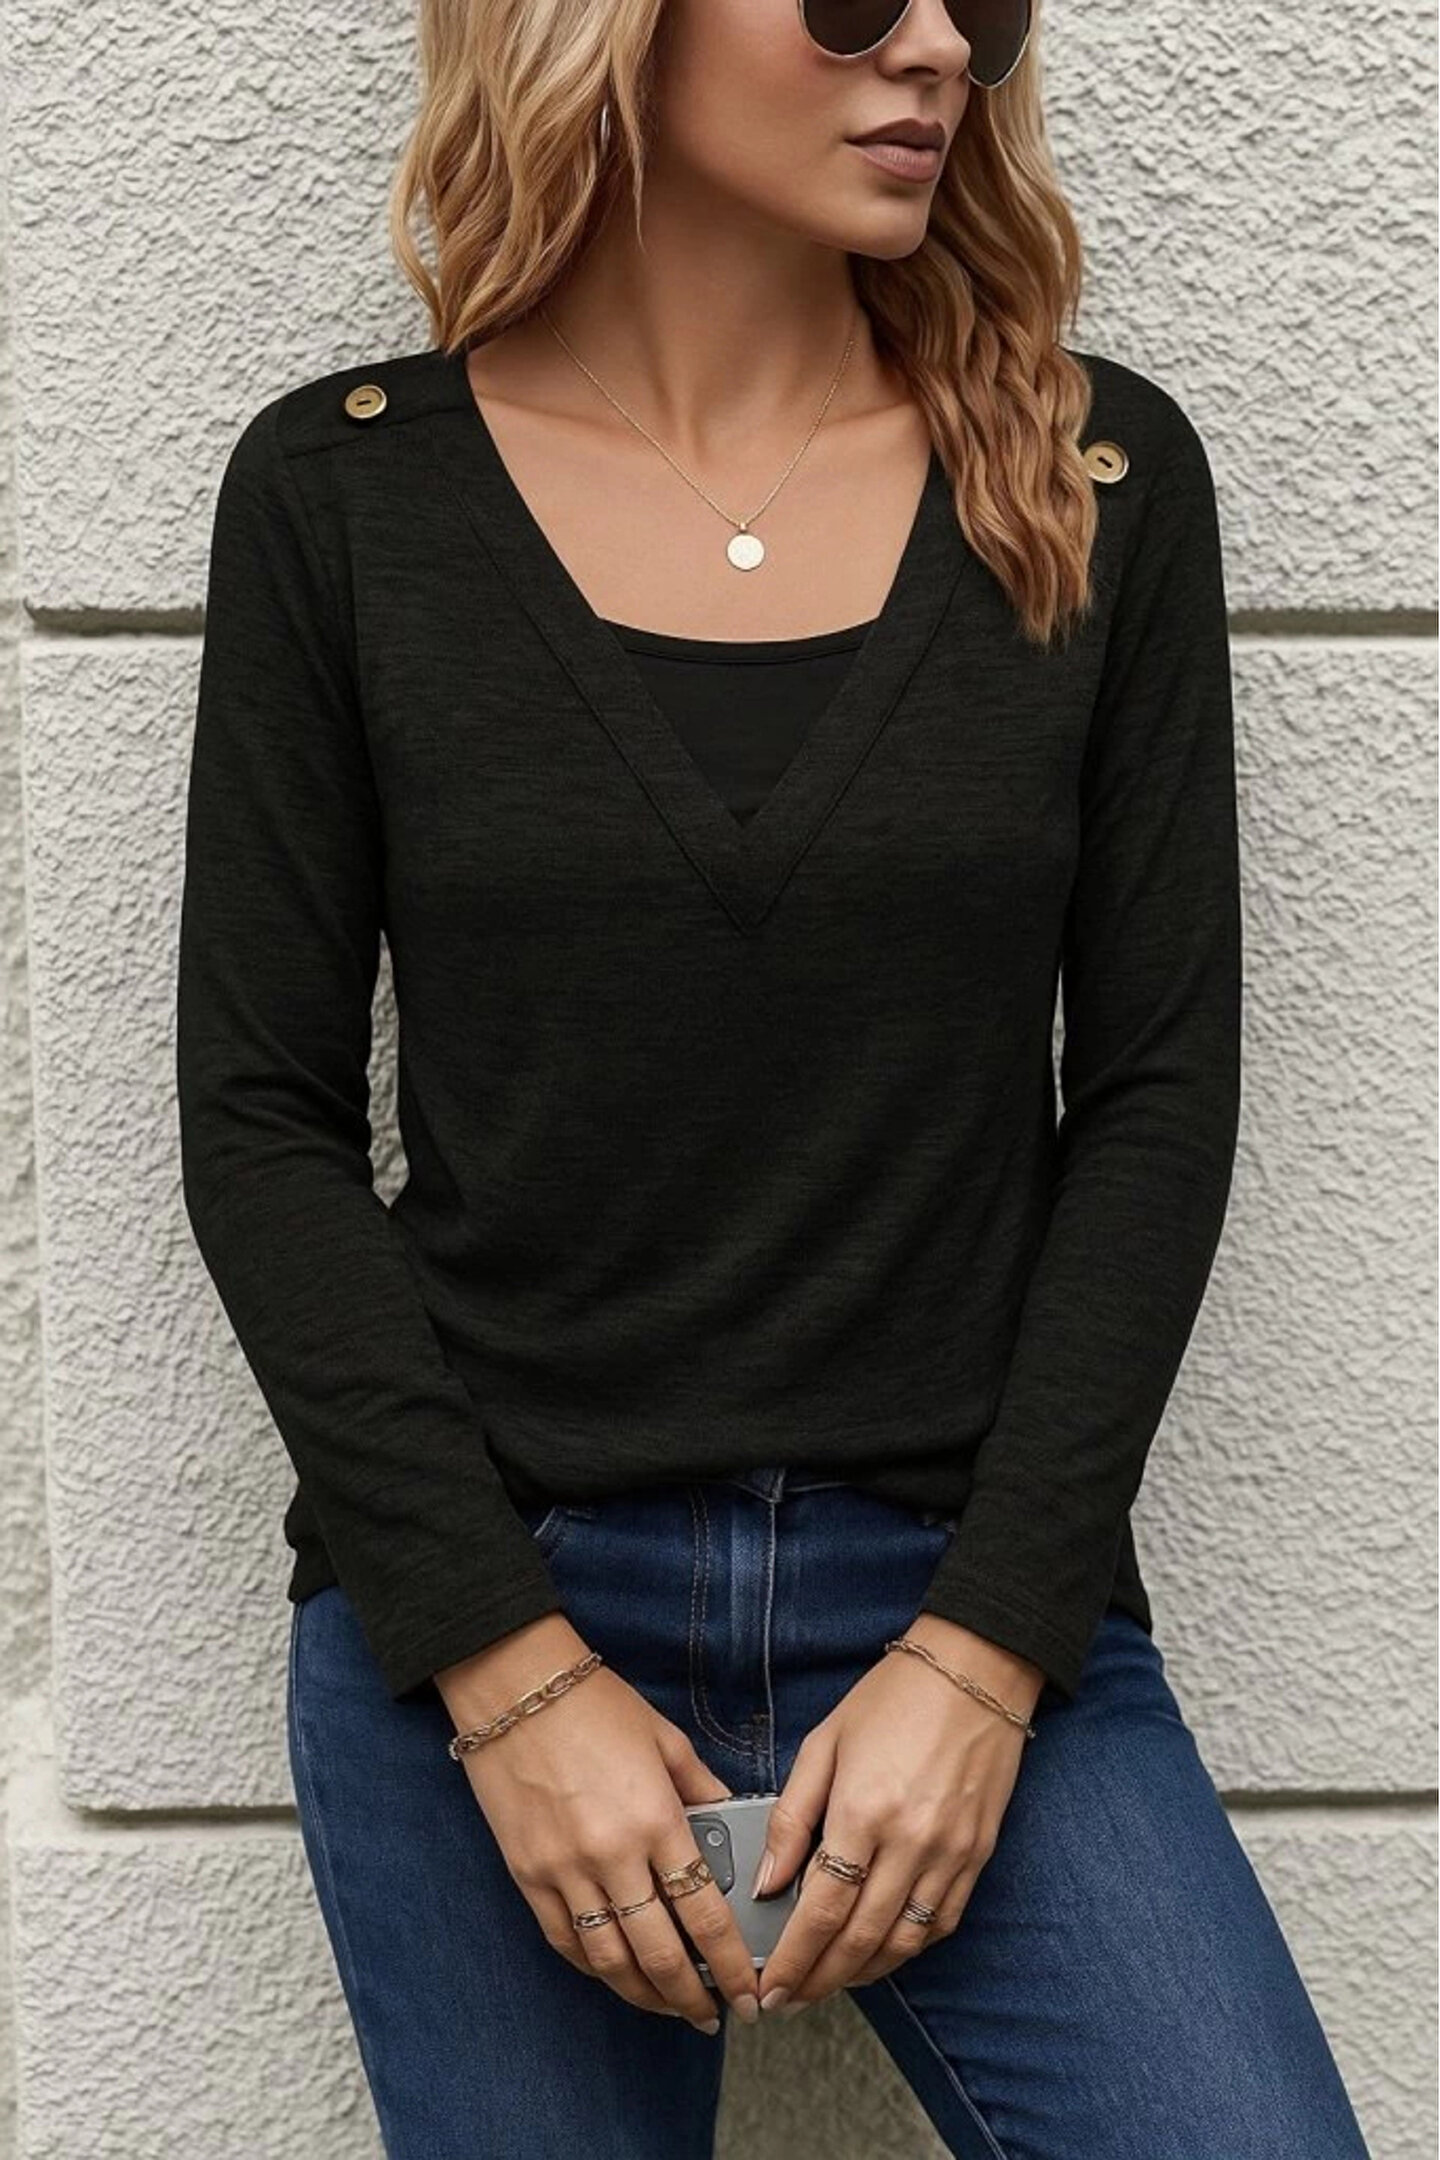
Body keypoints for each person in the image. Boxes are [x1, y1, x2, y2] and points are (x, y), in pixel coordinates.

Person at [175, 0, 1374, 2153]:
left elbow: (1156, 1095)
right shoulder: (344, 497)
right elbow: (262, 1123)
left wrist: (986, 1657)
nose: (934, 53)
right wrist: (510, 1679)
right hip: (497, 1603)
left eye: (978, 8)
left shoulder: (1089, 475)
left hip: (962, 1586)